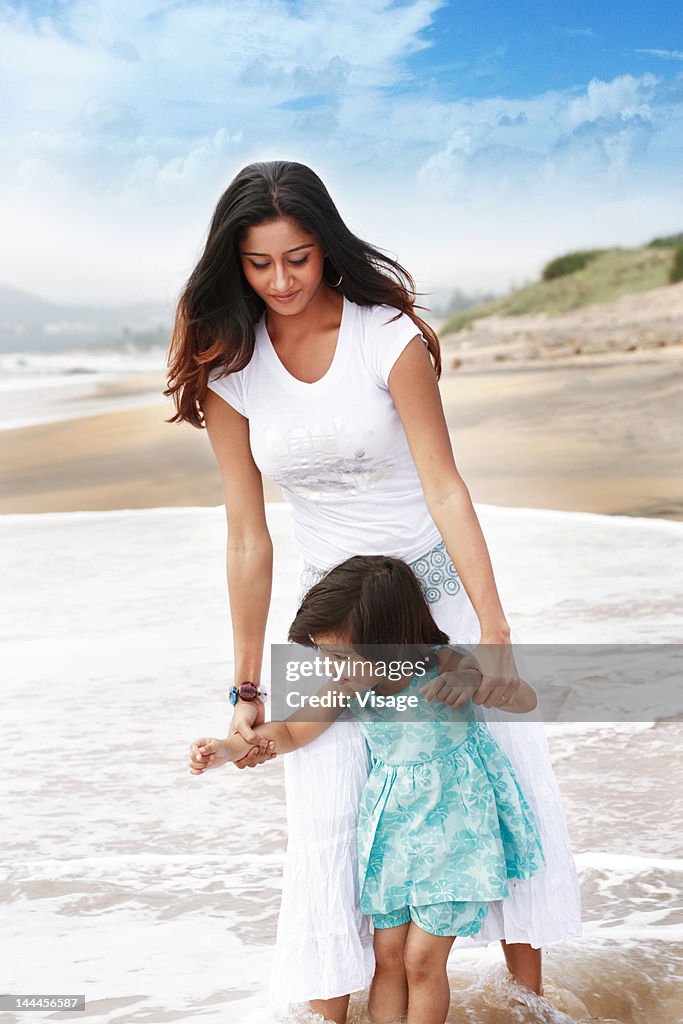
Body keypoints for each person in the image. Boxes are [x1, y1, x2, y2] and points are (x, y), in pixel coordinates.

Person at [166, 159, 581, 1024]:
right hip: (328, 631)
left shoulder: (382, 335)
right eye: (258, 263)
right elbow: (248, 535)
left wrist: (494, 630)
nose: (281, 281)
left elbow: (445, 487)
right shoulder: (229, 367)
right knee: (329, 818)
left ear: (328, 248)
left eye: (299, 258)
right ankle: (332, 1016)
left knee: (495, 784)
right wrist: (246, 687)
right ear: (231, 262)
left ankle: (526, 1007)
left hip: (436, 602)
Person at [189, 555, 547, 1024]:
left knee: (422, 959)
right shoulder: (349, 684)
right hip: (394, 834)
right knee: (390, 956)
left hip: (459, 830)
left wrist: (474, 679)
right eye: (327, 656)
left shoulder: (442, 664)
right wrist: (230, 748)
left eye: (340, 656)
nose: (333, 667)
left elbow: (525, 699)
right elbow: (292, 732)